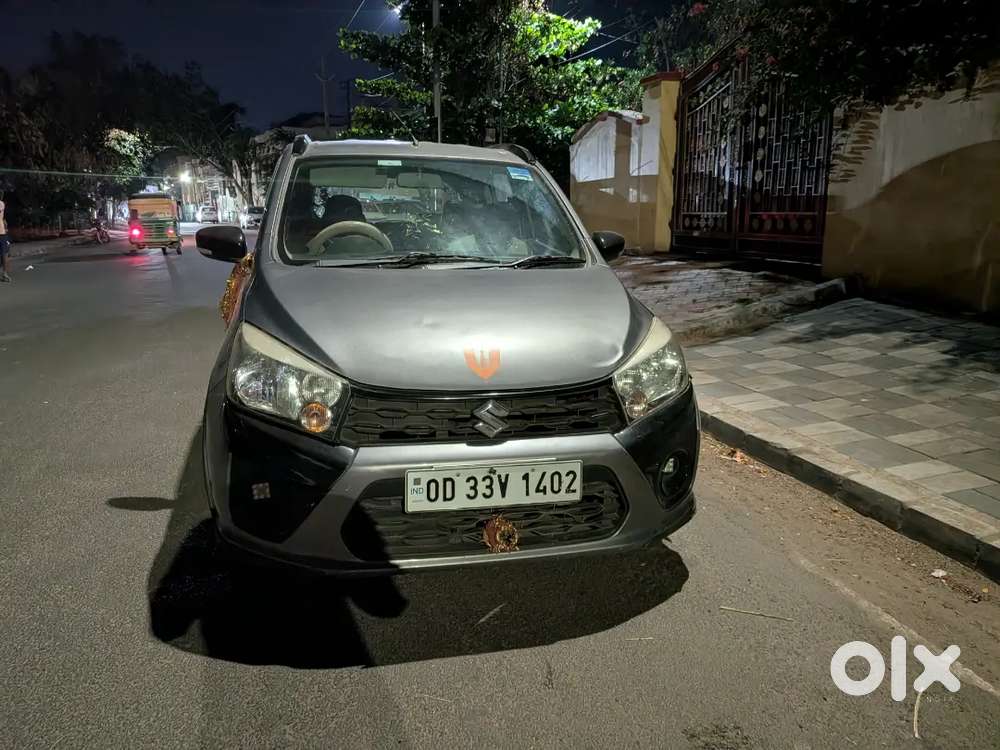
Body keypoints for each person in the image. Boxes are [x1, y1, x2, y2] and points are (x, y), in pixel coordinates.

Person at [0, 190, 11, 283]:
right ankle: (4, 273)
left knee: (5, 253)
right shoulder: (1, 204)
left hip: (1, 233)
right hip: (1, 233)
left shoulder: (1, 204)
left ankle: (4, 273)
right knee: (4, 253)